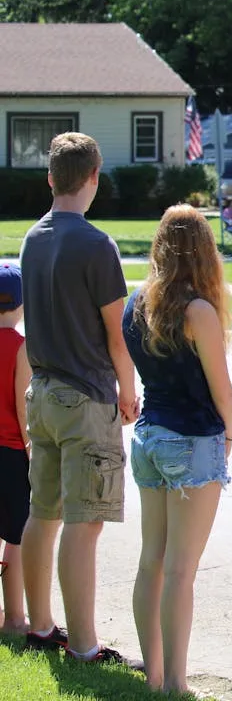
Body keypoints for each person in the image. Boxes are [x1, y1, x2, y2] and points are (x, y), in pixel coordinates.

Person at [19, 132, 141, 665]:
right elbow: (118, 334)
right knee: (85, 522)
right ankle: (85, 645)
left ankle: (41, 626)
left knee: (42, 513)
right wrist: (130, 389)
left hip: (41, 393)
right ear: (93, 179)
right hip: (86, 397)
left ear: (51, 178)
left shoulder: (31, 237)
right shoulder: (97, 244)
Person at [124, 205, 232, 694]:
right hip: (192, 441)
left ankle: (152, 677)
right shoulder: (199, 311)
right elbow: (221, 390)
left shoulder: (136, 303)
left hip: (149, 437)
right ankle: (175, 682)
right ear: (204, 253)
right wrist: (231, 436)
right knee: (181, 569)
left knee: (153, 559)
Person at [0, 264, 31, 635]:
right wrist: (31, 449)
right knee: (18, 536)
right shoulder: (21, 347)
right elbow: (24, 406)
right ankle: (15, 618)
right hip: (10, 452)